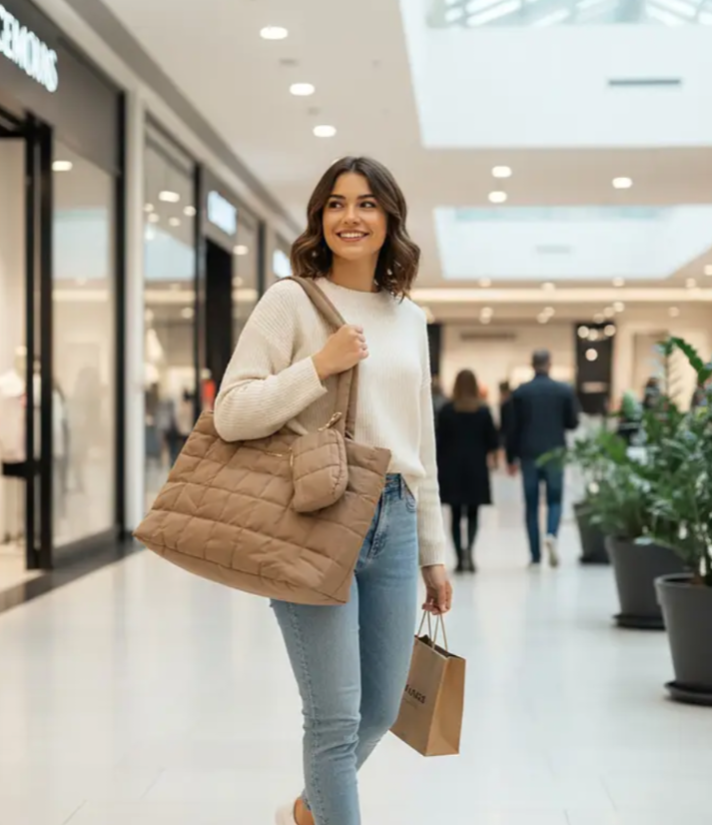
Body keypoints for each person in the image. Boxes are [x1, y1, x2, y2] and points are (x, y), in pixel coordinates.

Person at [212, 156, 452, 825]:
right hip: (314, 514)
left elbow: (420, 441)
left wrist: (433, 549)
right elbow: (232, 411)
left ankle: (311, 806)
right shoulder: (290, 300)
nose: (351, 216)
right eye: (337, 203)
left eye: (368, 203)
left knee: (379, 706)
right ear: (319, 217)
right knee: (333, 716)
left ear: (389, 219)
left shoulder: (409, 317)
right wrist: (319, 366)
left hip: (395, 515)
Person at [506, 350, 579, 567]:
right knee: (555, 499)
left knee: (531, 504)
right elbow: (573, 422)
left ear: (532, 364)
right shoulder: (563, 390)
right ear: (550, 364)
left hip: (528, 452)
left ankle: (535, 554)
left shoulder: (521, 393)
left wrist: (510, 458)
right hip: (554, 451)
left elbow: (512, 429)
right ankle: (551, 534)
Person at [437, 369, 499, 573]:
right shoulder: (483, 411)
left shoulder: (447, 410)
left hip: (451, 467)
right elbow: (492, 441)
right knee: (473, 513)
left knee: (455, 515)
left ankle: (458, 558)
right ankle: (470, 552)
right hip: (476, 467)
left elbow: (438, 441)